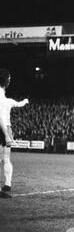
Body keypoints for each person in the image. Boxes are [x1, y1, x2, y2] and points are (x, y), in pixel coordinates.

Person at [0, 68, 29, 199]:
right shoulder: (5, 99)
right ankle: (7, 183)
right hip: (6, 128)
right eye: (9, 79)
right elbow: (16, 104)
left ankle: (6, 185)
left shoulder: (5, 99)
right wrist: (6, 134)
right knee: (6, 158)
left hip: (3, 128)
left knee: (4, 158)